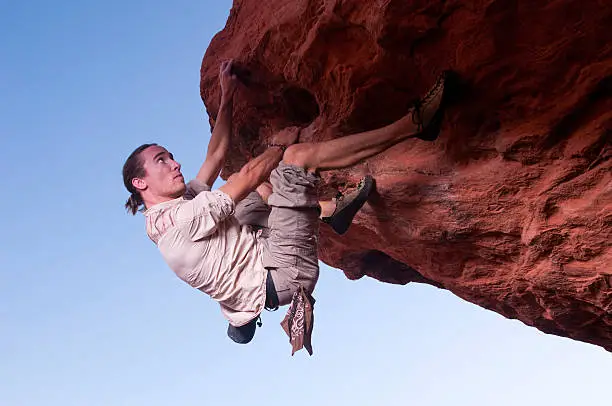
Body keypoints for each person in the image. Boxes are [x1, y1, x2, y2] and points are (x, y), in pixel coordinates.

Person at [123, 60, 450, 354]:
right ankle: (416, 125)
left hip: (255, 257)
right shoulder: (180, 222)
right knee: (294, 161)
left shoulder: (177, 206)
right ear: (141, 183)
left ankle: (327, 212)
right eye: (161, 161)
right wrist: (282, 145)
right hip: (282, 276)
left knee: (250, 195)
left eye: (170, 155)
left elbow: (215, 156)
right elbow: (249, 176)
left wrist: (227, 95)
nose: (175, 163)